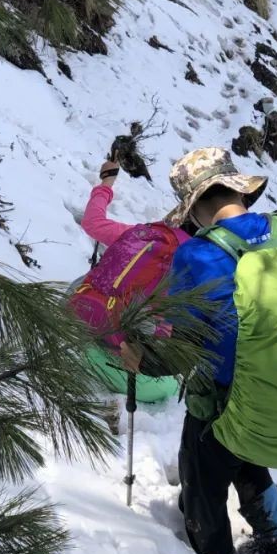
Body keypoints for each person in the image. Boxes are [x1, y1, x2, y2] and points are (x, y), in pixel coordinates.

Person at [162, 147, 277, 554]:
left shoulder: (197, 256)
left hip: (224, 395)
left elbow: (180, 338)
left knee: (201, 475)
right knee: (246, 457)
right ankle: (276, 541)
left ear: (196, 206)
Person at [70, 158, 189, 404]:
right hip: (137, 377)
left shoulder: (137, 236)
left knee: (88, 280)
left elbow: (92, 222)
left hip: (87, 349)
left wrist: (107, 181)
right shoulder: (197, 263)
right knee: (174, 380)